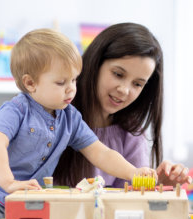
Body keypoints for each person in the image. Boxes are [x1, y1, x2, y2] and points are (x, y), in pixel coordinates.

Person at [0, 28, 156, 219]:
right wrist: (8, 183)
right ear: (30, 83)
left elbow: (101, 153)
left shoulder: (70, 117)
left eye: (74, 79)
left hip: (24, 197)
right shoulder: (16, 110)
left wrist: (133, 172)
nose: (71, 88)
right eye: (61, 82)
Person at [53, 22, 192, 187]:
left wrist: (159, 186)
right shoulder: (52, 116)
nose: (124, 90)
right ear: (95, 64)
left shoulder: (130, 134)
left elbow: (130, 203)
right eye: (118, 74)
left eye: (137, 84)